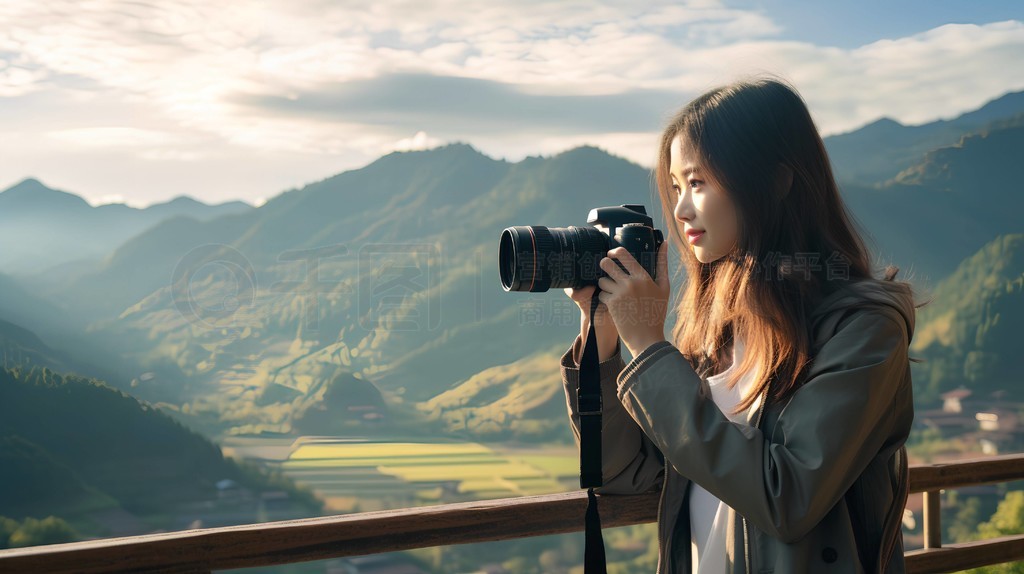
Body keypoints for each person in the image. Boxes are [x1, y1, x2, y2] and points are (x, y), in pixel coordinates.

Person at [561, 76, 924, 573]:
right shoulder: (715, 330)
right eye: (675, 187)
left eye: (698, 182)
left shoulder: (863, 330)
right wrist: (604, 345)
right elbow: (627, 474)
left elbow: (787, 495)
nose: (682, 209)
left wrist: (649, 348)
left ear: (776, 181)